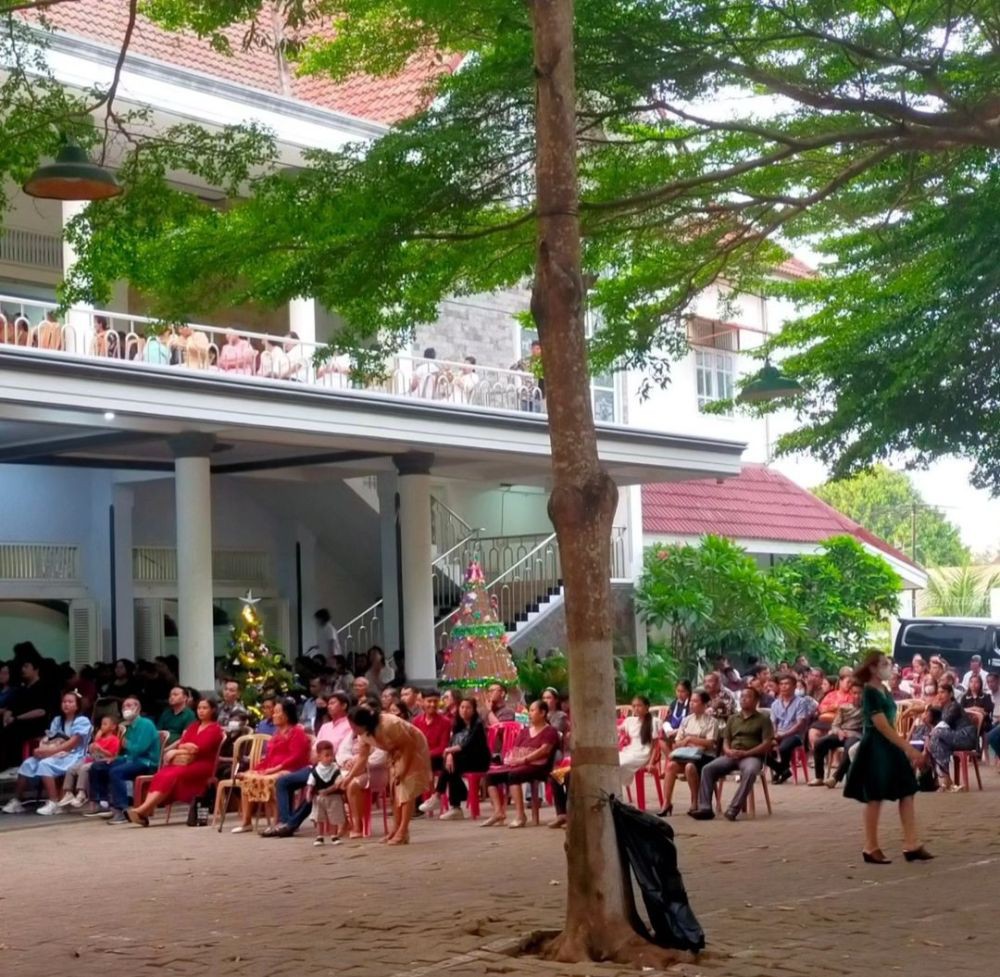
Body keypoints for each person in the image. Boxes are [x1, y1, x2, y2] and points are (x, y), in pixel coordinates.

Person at [842, 652, 931, 864]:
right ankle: (870, 846)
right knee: (875, 795)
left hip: (890, 746)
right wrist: (909, 749)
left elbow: (891, 720)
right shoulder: (870, 693)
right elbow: (881, 726)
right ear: (872, 668)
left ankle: (912, 843)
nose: (889, 667)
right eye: (884, 664)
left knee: (907, 789)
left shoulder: (884, 690)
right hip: (876, 746)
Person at [338, 703, 432, 845]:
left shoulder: (389, 724)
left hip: (414, 749)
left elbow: (408, 745)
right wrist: (350, 777)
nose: (352, 730)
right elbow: (362, 758)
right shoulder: (362, 734)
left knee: (406, 789)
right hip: (395, 752)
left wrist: (403, 770)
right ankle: (395, 829)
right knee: (395, 790)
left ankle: (403, 831)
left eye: (354, 726)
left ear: (363, 723)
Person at [125, 697, 225, 825]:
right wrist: (185, 747)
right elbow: (183, 743)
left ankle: (142, 811)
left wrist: (178, 750)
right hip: (184, 762)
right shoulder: (193, 726)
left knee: (173, 774)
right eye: (199, 708)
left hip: (203, 764)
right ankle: (144, 811)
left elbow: (199, 748)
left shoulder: (215, 729)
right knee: (162, 774)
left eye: (205, 708)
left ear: (213, 710)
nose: (201, 711)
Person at [689, 687, 774, 821]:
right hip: (732, 755)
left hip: (751, 755)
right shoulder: (733, 719)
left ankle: (733, 809)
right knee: (707, 769)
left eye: (748, 697)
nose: (743, 699)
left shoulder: (763, 719)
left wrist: (746, 753)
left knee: (751, 770)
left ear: (756, 700)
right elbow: (726, 740)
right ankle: (705, 808)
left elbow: (767, 744)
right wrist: (728, 750)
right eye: (742, 697)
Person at [2, 692, 92, 816]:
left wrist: (49, 752)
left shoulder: (82, 720)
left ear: (77, 706)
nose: (66, 704)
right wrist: (41, 749)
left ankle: (54, 803)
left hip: (74, 755)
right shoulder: (57, 720)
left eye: (70, 702)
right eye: (64, 702)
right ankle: (17, 800)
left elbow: (72, 744)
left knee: (45, 764)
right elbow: (50, 737)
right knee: (27, 763)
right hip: (55, 752)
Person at [231, 698, 311, 834]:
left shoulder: (297, 732)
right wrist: (254, 770)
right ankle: (246, 822)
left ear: (286, 715)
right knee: (248, 777)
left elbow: (296, 757)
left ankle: (278, 822)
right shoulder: (276, 733)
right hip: (273, 767)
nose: (273, 715)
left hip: (291, 768)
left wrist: (276, 768)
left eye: (277, 712)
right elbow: (268, 758)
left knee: (273, 780)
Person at [482, 700, 559, 828]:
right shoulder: (524, 731)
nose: (530, 713)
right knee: (491, 776)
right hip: (520, 764)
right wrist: (512, 759)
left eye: (533, 710)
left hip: (538, 766)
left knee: (513, 775)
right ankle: (498, 812)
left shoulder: (550, 731)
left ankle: (520, 816)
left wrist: (524, 759)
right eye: (530, 710)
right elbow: (515, 749)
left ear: (543, 713)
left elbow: (544, 750)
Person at [85, 695, 160, 822]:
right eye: (124, 706)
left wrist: (126, 743)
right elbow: (124, 752)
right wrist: (114, 758)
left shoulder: (146, 724)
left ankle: (122, 810)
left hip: (146, 762)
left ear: (138, 708)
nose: (126, 708)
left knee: (116, 771)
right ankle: (103, 804)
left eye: (130, 705)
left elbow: (139, 749)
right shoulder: (126, 726)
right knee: (98, 766)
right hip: (130, 759)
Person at [657, 690, 719, 817]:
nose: (691, 704)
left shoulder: (712, 722)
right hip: (686, 754)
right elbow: (677, 742)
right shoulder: (686, 720)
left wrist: (690, 739)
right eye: (691, 701)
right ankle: (666, 803)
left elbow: (710, 744)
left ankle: (695, 802)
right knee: (670, 766)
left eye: (695, 701)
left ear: (704, 704)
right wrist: (691, 742)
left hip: (705, 757)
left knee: (690, 767)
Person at [429, 696, 491, 821]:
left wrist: (449, 751)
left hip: (479, 760)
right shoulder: (458, 724)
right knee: (450, 766)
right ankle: (454, 807)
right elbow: (452, 743)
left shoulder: (478, 725)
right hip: (462, 759)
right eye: (462, 707)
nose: (464, 710)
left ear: (474, 710)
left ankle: (439, 796)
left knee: (452, 765)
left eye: (468, 708)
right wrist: (450, 755)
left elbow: (468, 745)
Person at [0, 655, 55, 772]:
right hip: (17, 722)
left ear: (36, 669)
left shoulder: (44, 687)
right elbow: (11, 707)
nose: (23, 670)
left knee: (9, 733)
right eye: (22, 667)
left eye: (26, 666)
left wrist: (16, 718)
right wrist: (7, 717)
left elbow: (41, 711)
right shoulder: (22, 688)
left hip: (35, 725)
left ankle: (11, 764)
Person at [58, 713, 121, 809]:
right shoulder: (101, 739)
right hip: (92, 758)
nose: (102, 727)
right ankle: (68, 792)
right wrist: (93, 745)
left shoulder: (114, 739)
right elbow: (92, 751)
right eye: (101, 724)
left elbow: (112, 755)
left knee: (84, 768)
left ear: (113, 727)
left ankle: (81, 792)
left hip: (102, 760)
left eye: (105, 724)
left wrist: (100, 749)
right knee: (71, 769)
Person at [809, 680, 864, 787]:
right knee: (820, 743)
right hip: (841, 733)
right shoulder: (844, 707)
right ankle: (819, 777)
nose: (857, 696)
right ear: (850, 693)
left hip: (856, 735)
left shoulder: (866, 709)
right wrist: (838, 731)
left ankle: (835, 777)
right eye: (854, 693)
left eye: (860, 693)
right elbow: (835, 724)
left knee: (850, 748)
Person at [928, 683, 978, 791]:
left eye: (943, 692)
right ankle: (946, 780)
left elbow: (943, 725)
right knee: (936, 741)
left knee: (936, 734)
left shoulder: (954, 706)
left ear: (951, 694)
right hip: (954, 738)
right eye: (938, 693)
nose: (939, 695)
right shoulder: (943, 708)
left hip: (966, 737)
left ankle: (945, 781)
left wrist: (931, 734)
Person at [767, 673, 815, 784]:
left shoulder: (801, 702)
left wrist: (783, 735)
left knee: (784, 747)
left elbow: (800, 724)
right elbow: (773, 722)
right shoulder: (775, 704)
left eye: (787, 684)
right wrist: (774, 734)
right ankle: (782, 770)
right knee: (759, 749)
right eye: (781, 684)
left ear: (794, 686)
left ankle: (781, 772)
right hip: (778, 733)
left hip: (795, 735)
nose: (783, 686)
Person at [415, 689, 454, 815]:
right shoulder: (417, 721)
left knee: (442, 765)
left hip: (436, 758)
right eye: (429, 701)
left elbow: (443, 746)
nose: (432, 704)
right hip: (421, 757)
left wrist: (425, 754)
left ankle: (430, 799)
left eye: (435, 701)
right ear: (422, 702)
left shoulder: (445, 722)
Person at [305, 739, 345, 846]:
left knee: (334, 817)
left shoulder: (335, 769)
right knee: (319, 818)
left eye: (331, 755)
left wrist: (328, 790)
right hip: (319, 799)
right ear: (319, 757)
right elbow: (311, 783)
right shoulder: (316, 771)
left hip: (334, 797)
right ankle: (319, 836)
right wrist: (308, 793)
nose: (330, 758)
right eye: (326, 755)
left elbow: (338, 783)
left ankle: (334, 835)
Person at [618, 695, 661, 787]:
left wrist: (651, 763)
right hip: (629, 750)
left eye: (639, 705)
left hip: (643, 754)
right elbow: (618, 729)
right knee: (613, 762)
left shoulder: (653, 721)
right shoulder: (629, 720)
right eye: (634, 706)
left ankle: (616, 788)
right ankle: (614, 788)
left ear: (646, 707)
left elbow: (655, 746)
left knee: (622, 763)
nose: (636, 708)